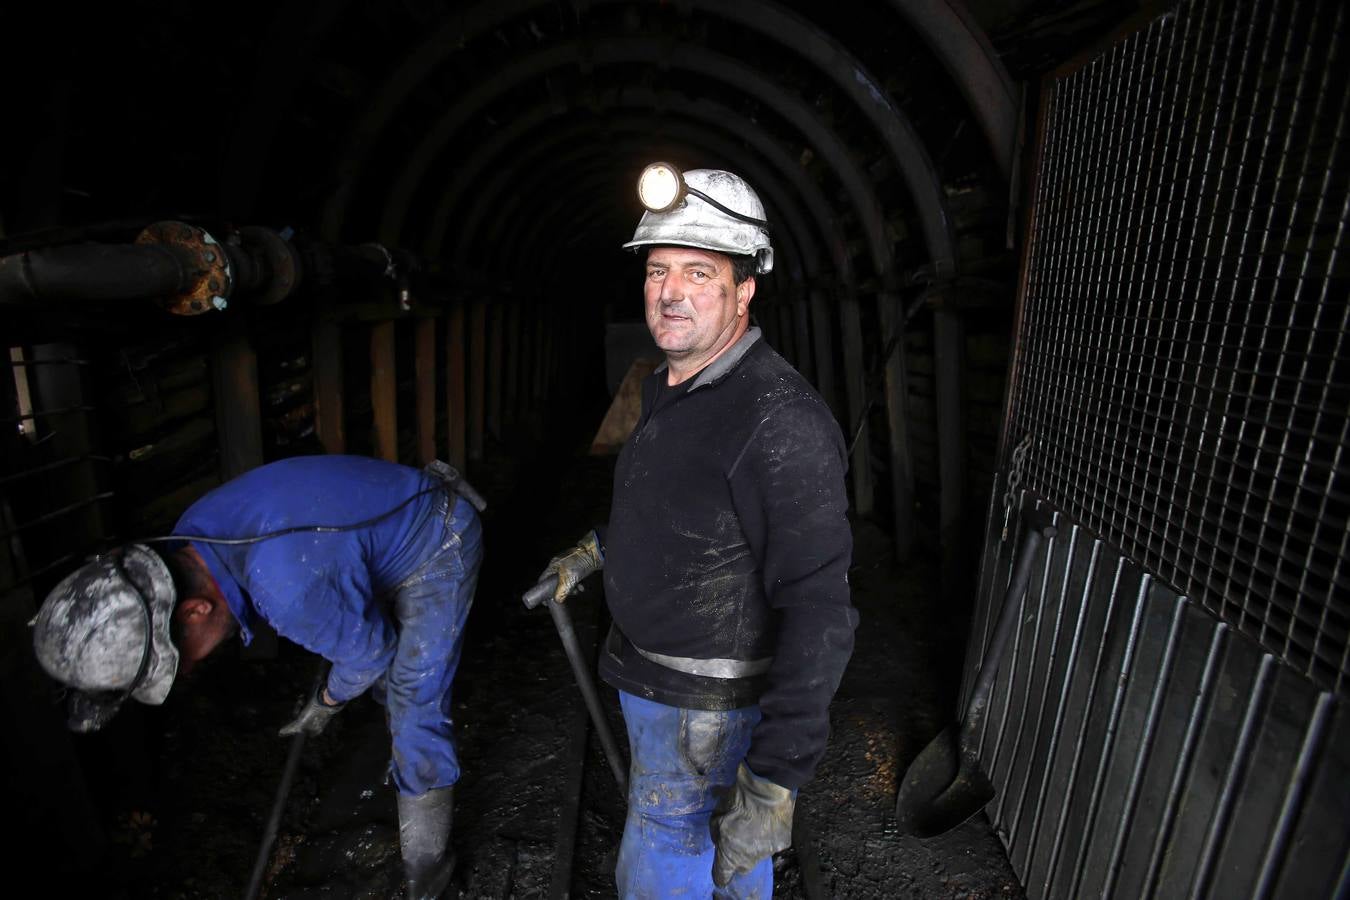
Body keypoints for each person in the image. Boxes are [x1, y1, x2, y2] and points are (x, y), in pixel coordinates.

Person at [540, 165, 857, 897]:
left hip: (706, 714)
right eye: (658, 270)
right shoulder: (669, 382)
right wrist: (596, 551)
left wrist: (775, 780)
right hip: (655, 684)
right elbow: (681, 511)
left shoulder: (779, 422)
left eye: (699, 272)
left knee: (669, 866)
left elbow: (820, 610)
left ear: (745, 289)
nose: (670, 292)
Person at [30, 454, 484, 900]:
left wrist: (326, 701)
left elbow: (372, 652)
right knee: (379, 670)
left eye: (179, 658)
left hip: (436, 539)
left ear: (195, 609)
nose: (187, 668)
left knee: (412, 700)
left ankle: (428, 873)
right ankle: (400, 765)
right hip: (379, 527)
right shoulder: (195, 533)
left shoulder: (285, 588)